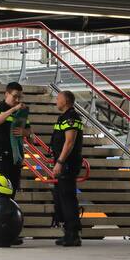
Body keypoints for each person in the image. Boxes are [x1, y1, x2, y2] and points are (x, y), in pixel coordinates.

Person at [51, 90, 84, 247]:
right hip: (64, 163)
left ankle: (73, 234)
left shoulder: (71, 118)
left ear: (66, 101)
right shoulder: (63, 117)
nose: (56, 101)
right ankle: (68, 232)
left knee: (68, 198)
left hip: (67, 164)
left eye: (58, 99)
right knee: (61, 197)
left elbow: (69, 142)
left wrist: (60, 161)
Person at [0, 82, 31, 196]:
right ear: (6, 94)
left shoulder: (22, 112)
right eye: (14, 96)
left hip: (14, 154)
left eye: (19, 97)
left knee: (13, 186)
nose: (17, 99)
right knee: (0, 184)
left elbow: (30, 133)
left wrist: (24, 132)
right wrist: (12, 110)